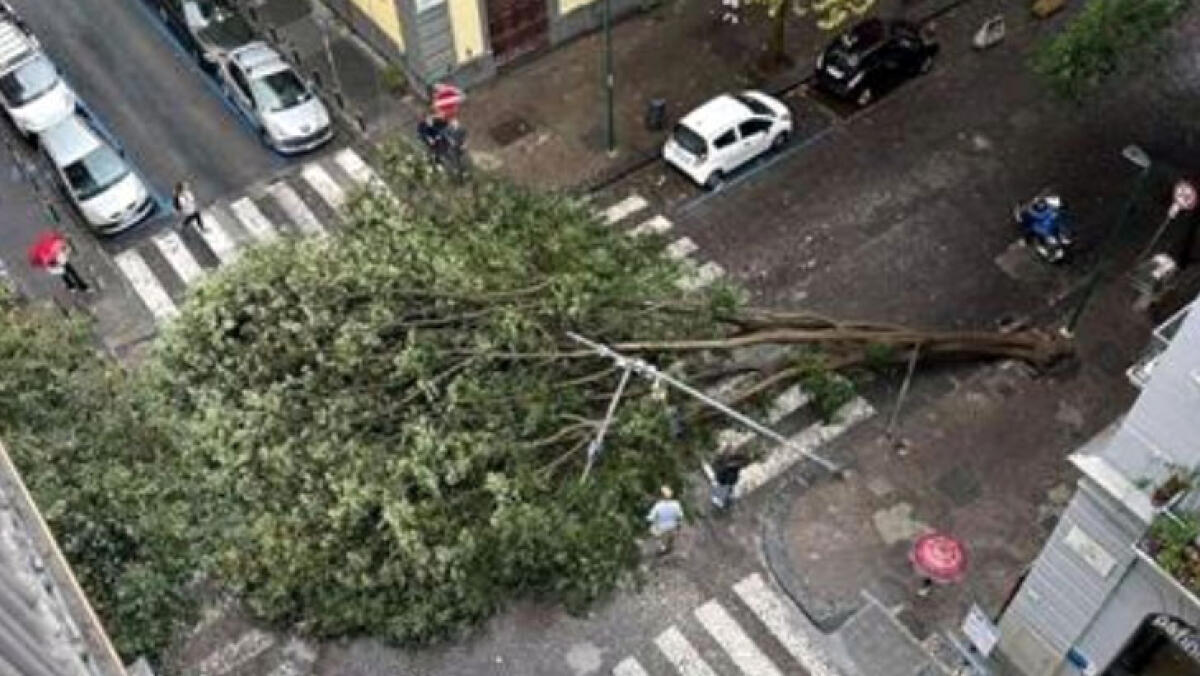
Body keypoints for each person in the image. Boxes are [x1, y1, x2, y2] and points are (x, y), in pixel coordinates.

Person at [647, 486, 684, 555]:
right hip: (672, 527)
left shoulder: (658, 505)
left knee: (652, 530)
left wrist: (650, 521)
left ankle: (662, 547)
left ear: (661, 496)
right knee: (672, 532)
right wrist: (678, 528)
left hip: (661, 528)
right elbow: (680, 517)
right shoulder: (676, 504)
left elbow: (650, 518)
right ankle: (670, 544)